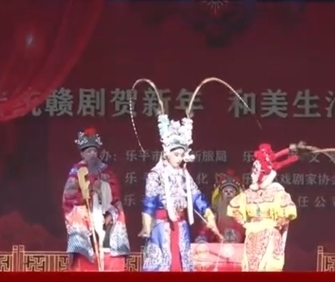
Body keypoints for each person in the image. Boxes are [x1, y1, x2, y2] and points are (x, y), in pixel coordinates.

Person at [139, 113, 219, 271]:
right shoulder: (156, 174)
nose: (179, 158)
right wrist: (146, 226)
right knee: (161, 264)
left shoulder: (184, 174)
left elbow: (196, 197)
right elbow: (149, 202)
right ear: (167, 153)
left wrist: (208, 214)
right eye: (176, 155)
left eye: (182, 155)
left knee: (182, 262)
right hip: (161, 227)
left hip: (180, 225)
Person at [62, 127, 130, 271]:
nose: (92, 154)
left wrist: (108, 206)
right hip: (85, 214)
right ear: (82, 154)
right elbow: (69, 195)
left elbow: (115, 195)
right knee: (80, 221)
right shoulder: (76, 171)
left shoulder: (106, 170)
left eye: (94, 151)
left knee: (118, 214)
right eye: (88, 152)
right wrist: (87, 197)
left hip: (106, 213)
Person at [227, 143, 300, 271]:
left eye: (255, 171)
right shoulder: (248, 194)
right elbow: (234, 208)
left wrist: (276, 224)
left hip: (270, 235)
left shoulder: (276, 192)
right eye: (252, 171)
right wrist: (245, 223)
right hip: (252, 236)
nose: (252, 174)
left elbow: (288, 212)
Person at [195, 169, 245, 243]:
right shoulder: (215, 210)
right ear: (221, 195)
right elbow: (207, 228)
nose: (228, 194)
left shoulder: (243, 209)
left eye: (231, 192)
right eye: (226, 191)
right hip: (220, 240)